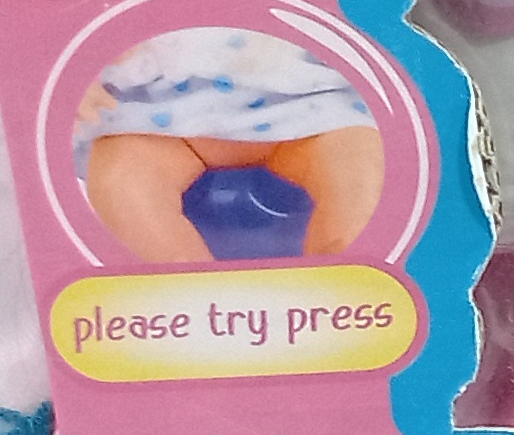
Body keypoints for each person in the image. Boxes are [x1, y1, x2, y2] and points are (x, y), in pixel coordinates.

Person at [77, 26, 384, 262]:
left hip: (312, 96)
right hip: (149, 109)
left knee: (362, 184)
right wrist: (71, 67)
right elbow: (63, 10)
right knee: (122, 182)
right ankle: (187, 298)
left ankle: (348, 287)